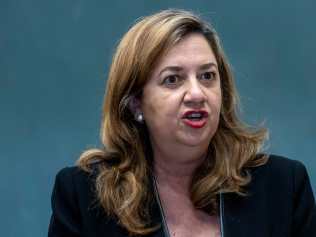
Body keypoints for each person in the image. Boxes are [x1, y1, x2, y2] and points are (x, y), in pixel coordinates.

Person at [48, 9, 316, 237]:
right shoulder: (84, 196)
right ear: (135, 103)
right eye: (173, 80)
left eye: (207, 76)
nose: (197, 93)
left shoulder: (283, 186)